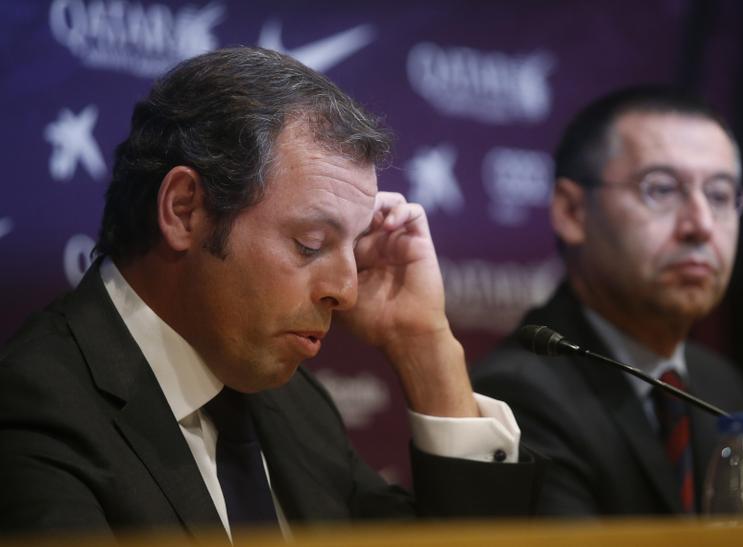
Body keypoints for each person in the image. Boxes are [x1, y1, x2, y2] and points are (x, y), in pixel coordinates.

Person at [0, 47, 540, 540]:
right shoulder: (35, 407)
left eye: (355, 246)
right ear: (183, 210)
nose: (347, 291)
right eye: (310, 243)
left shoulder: (296, 406)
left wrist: (423, 343)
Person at [471, 86, 743, 516]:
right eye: (662, 190)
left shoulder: (723, 385)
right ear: (573, 212)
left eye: (719, 195)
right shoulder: (515, 398)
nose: (701, 225)